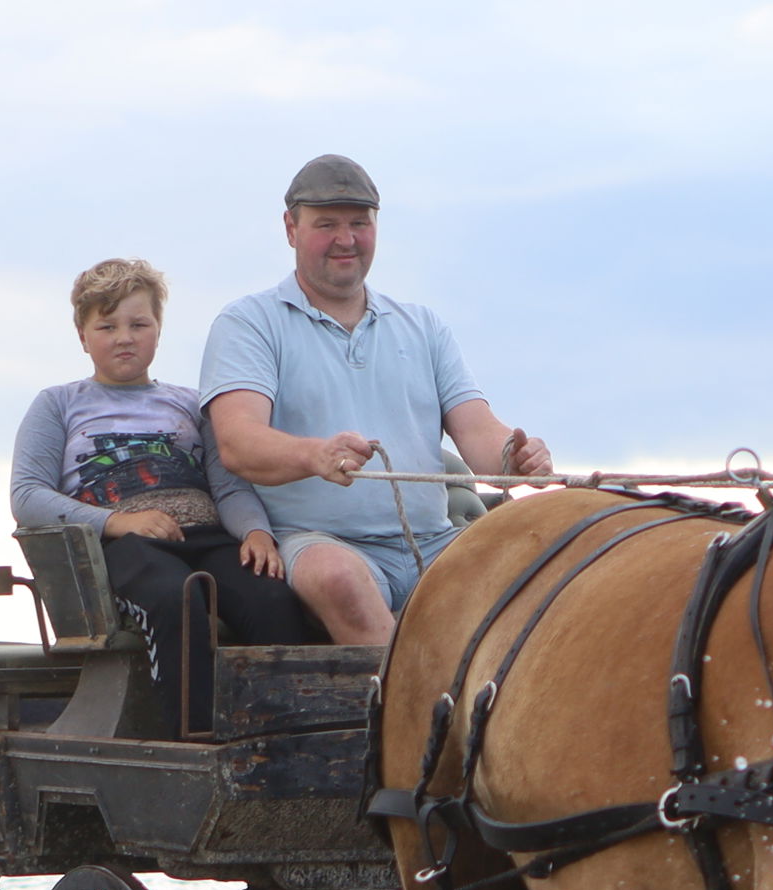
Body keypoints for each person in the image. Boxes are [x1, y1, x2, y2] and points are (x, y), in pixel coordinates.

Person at [199, 154, 551, 644]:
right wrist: (314, 455)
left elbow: (478, 432)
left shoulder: (423, 326)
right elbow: (238, 441)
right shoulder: (248, 323)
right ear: (290, 228)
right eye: (327, 225)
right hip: (320, 542)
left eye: (359, 224)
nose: (346, 240)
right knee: (340, 579)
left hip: (435, 541)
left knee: (547, 572)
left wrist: (517, 457)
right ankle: (407, 714)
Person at [12, 257, 312, 736]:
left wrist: (257, 532)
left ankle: (281, 734)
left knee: (271, 598)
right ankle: (192, 739)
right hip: (123, 546)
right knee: (179, 598)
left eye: (138, 323)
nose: (124, 337)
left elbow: (230, 484)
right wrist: (116, 523)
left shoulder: (192, 404)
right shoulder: (58, 404)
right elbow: (27, 496)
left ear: (158, 329)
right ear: (82, 335)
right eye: (106, 325)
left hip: (207, 534)